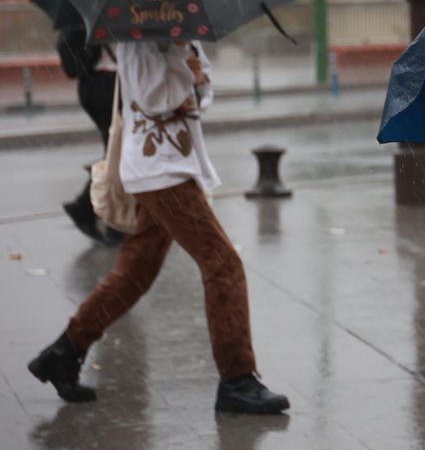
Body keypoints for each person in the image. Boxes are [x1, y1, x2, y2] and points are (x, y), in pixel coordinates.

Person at [28, 40, 289, 415]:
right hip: (160, 171)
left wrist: (196, 77)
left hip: (176, 165)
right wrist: (188, 73)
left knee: (135, 273)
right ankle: (237, 380)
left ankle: (64, 352)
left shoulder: (181, 32)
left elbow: (201, 97)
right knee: (222, 263)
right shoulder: (140, 37)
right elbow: (152, 99)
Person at [56, 26, 121, 244]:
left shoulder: (91, 15)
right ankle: (106, 218)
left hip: (97, 85)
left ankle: (88, 208)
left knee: (117, 152)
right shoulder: (102, 17)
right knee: (118, 153)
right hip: (104, 85)